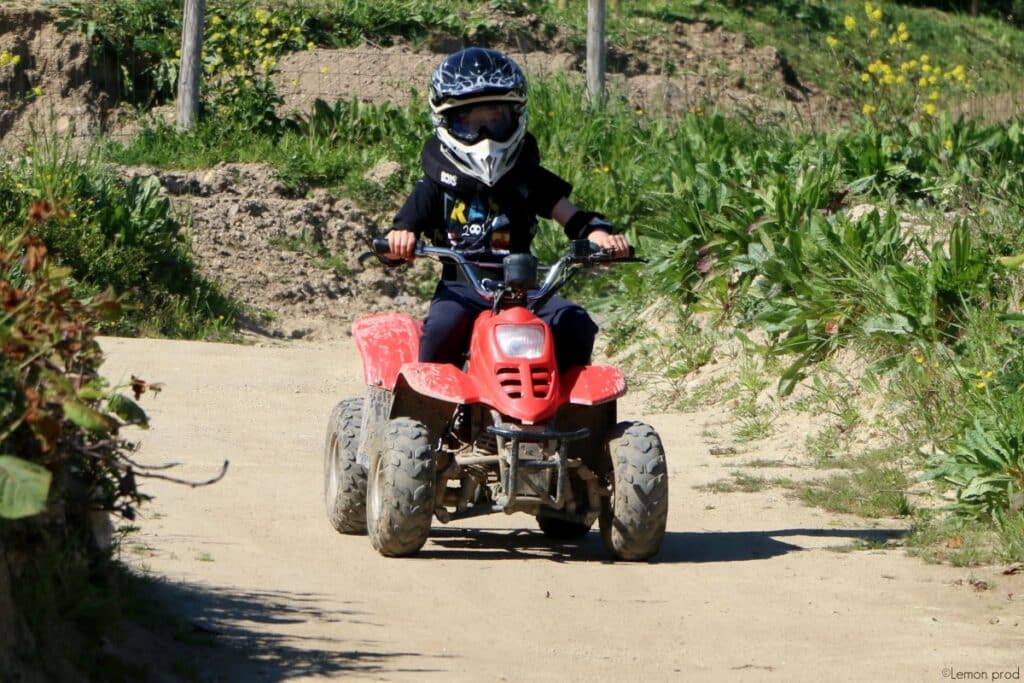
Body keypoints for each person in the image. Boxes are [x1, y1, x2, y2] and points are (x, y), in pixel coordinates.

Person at [383, 47, 629, 371]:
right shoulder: (434, 184)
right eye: (469, 122)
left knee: (576, 323)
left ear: (517, 116)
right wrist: (398, 242)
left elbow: (574, 217)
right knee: (442, 329)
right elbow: (398, 235)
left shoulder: (527, 178)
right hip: (462, 290)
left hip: (527, 292)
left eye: (495, 120)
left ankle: (570, 412)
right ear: (445, 122)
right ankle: (429, 413)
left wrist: (599, 235)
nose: (484, 137)